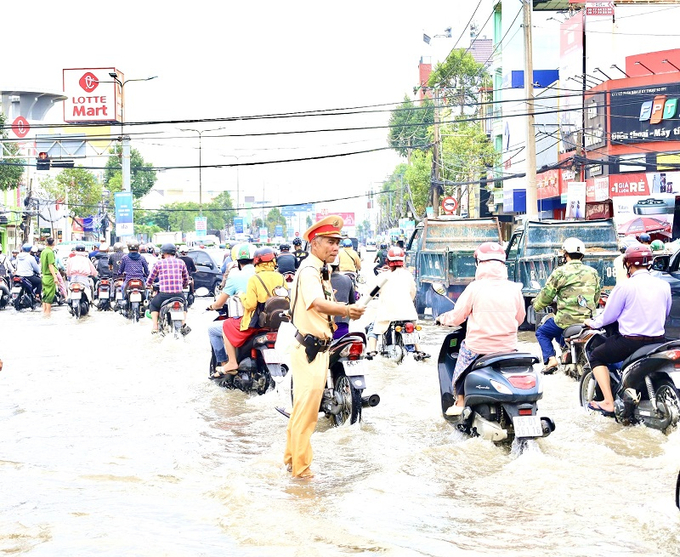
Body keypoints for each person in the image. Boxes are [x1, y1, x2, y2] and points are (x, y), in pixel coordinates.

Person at [283, 215, 366, 479]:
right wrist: (347, 310)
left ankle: (290, 461)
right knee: (307, 416)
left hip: (316, 349)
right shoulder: (309, 271)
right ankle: (302, 472)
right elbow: (317, 304)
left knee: (301, 412)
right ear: (314, 244)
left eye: (337, 243)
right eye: (330, 242)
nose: (335, 248)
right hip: (310, 350)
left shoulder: (319, 271)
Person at [436, 242, 525, 411]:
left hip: (479, 349)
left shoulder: (474, 288)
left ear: (479, 264)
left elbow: (456, 318)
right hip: (508, 349)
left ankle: (461, 401)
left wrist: (442, 319)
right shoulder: (514, 289)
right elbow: (520, 319)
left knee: (461, 365)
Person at [584, 244, 672, 415]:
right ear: (649, 264)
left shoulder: (625, 287)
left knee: (597, 356)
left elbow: (609, 316)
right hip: (659, 341)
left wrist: (593, 323)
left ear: (628, 264)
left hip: (630, 343)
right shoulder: (664, 285)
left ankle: (609, 402)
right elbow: (665, 313)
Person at [532, 237, 601, 374]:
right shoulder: (592, 272)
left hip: (565, 321)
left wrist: (536, 306)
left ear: (566, 255)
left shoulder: (560, 272)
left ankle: (551, 360)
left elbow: (546, 295)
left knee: (542, 332)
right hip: (588, 321)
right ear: (582, 255)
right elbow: (596, 297)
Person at [216, 247, 286, 377]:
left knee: (226, 325)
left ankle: (231, 362)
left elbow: (250, 305)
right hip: (278, 323)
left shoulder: (255, 279)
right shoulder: (280, 277)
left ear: (257, 262)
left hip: (257, 323)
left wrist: (242, 296)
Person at [365, 246, 429, 359]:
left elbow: (371, 293)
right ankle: (419, 350)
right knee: (413, 330)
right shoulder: (408, 275)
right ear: (403, 261)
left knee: (372, 328)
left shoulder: (383, 276)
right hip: (408, 314)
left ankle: (372, 351)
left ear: (387, 261)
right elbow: (412, 293)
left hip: (387, 315)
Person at [207, 244, 256, 371]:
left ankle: (226, 364)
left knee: (213, 329)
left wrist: (212, 306)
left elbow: (220, 303)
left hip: (246, 321)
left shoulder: (234, 276)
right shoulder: (265, 275)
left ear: (238, 261)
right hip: (267, 321)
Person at [145, 243, 190, 335]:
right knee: (184, 304)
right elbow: (186, 278)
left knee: (153, 304)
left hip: (164, 295)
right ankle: (184, 324)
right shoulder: (181, 262)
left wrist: (148, 285)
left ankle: (155, 326)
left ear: (163, 253)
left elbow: (151, 278)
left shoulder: (159, 263)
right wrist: (184, 285)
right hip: (178, 294)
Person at [330, 255, 356, 339]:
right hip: (342, 324)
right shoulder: (347, 279)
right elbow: (352, 302)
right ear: (338, 266)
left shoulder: (318, 281)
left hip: (321, 326)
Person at [40, 237, 59, 316]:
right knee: (50, 296)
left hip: (44, 276)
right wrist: (55, 277)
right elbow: (50, 265)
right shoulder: (50, 252)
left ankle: (44, 312)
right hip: (50, 276)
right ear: (53, 243)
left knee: (45, 295)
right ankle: (48, 314)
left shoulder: (43, 251)